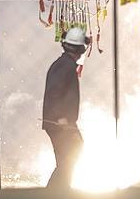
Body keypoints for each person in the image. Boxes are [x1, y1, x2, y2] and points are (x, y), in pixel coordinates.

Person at [42, 27, 90, 189]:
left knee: (69, 157)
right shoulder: (65, 66)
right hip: (59, 123)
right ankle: (56, 191)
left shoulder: (64, 64)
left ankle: (60, 190)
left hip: (61, 122)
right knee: (68, 159)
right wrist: (60, 117)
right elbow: (54, 92)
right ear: (80, 49)